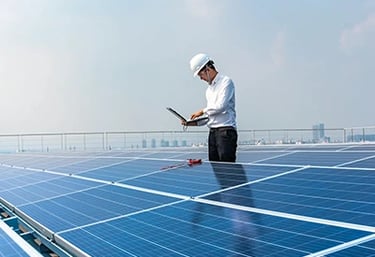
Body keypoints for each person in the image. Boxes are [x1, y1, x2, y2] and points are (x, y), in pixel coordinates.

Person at [183, 53, 238, 162]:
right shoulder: (209, 90)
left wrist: (202, 111)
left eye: (200, 75)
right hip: (213, 134)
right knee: (216, 168)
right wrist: (192, 123)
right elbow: (211, 116)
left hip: (225, 133)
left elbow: (221, 107)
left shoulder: (226, 82)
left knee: (227, 170)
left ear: (207, 69)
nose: (201, 78)